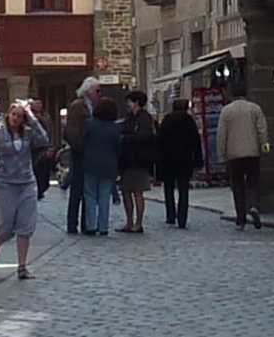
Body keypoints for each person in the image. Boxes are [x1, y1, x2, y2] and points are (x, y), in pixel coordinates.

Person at [0, 99, 49, 277]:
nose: (16, 118)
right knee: (4, 227)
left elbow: (44, 139)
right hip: (5, 184)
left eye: (20, 116)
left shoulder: (28, 133)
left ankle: (22, 266)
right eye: (14, 114)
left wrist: (32, 118)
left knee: (25, 226)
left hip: (26, 183)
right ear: (8, 114)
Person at [211, 84, 271, 227]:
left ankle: (241, 218)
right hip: (252, 152)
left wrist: (221, 156)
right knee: (253, 182)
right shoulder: (254, 108)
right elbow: (262, 129)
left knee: (237, 185)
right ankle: (253, 205)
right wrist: (264, 145)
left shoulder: (226, 111)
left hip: (233, 154)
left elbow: (221, 135)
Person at [70, 86, 121, 237]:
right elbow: (118, 147)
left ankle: (91, 225)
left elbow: (84, 141)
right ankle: (103, 226)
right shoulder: (115, 128)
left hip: (90, 163)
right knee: (105, 196)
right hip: (109, 164)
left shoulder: (90, 124)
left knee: (90, 194)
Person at [153, 90, 201, 227]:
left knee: (168, 189)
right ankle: (182, 218)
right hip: (185, 160)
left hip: (168, 160)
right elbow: (195, 142)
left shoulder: (167, 121)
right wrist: (198, 160)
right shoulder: (189, 122)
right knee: (183, 190)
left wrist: (158, 160)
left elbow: (159, 141)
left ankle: (170, 216)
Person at [117, 93, 159, 232]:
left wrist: (126, 139)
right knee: (125, 191)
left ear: (137, 103)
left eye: (129, 102)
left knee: (137, 192)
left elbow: (144, 138)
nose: (127, 105)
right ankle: (129, 222)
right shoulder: (129, 118)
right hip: (127, 160)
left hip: (139, 160)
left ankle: (138, 223)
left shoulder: (144, 118)